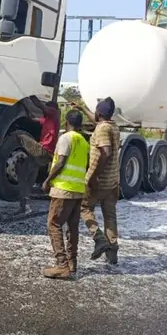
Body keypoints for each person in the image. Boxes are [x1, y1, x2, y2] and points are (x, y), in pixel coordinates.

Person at [41, 110, 88, 279]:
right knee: (72, 227)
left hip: (63, 189)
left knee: (54, 224)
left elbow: (61, 162)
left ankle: (62, 265)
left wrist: (48, 180)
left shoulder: (65, 138)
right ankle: (72, 262)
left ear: (67, 122)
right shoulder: (83, 141)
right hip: (78, 190)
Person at [79, 97, 121, 264]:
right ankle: (112, 254)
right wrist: (82, 109)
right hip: (112, 181)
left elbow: (106, 152)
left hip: (100, 181)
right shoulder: (112, 126)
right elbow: (97, 122)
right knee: (110, 217)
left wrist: (94, 176)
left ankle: (99, 239)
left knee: (84, 207)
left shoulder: (102, 129)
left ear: (99, 113)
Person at [16, 96, 61, 214]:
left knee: (19, 135)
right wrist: (24, 105)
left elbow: (42, 107)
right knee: (27, 175)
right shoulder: (46, 120)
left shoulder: (55, 114)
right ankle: (24, 204)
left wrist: (31, 96)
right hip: (43, 155)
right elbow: (31, 118)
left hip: (43, 151)